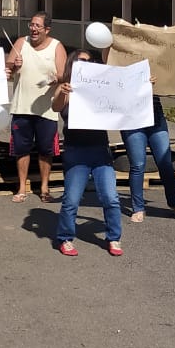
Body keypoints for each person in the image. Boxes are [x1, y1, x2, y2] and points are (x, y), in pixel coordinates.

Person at [51, 48, 123, 257]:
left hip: (100, 150)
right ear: (72, 63)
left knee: (110, 197)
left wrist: (144, 85)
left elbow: (123, 96)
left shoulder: (100, 87)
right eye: (81, 60)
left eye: (90, 60)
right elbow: (56, 107)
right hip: (76, 152)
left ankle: (114, 238)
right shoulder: (65, 87)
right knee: (72, 199)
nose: (86, 63)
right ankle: (65, 238)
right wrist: (62, 93)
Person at [120, 44, 175, 223]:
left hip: (155, 115)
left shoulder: (156, 60)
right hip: (132, 117)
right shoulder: (121, 58)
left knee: (165, 162)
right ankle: (138, 207)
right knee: (138, 164)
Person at [5, 12, 66, 203]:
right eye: (31, 25)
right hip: (22, 106)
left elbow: (64, 74)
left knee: (46, 150)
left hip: (47, 109)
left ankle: (44, 188)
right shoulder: (21, 43)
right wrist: (13, 66)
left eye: (38, 26)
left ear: (47, 30)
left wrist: (56, 78)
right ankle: (22, 187)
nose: (33, 29)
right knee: (21, 149)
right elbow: (7, 71)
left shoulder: (57, 46)